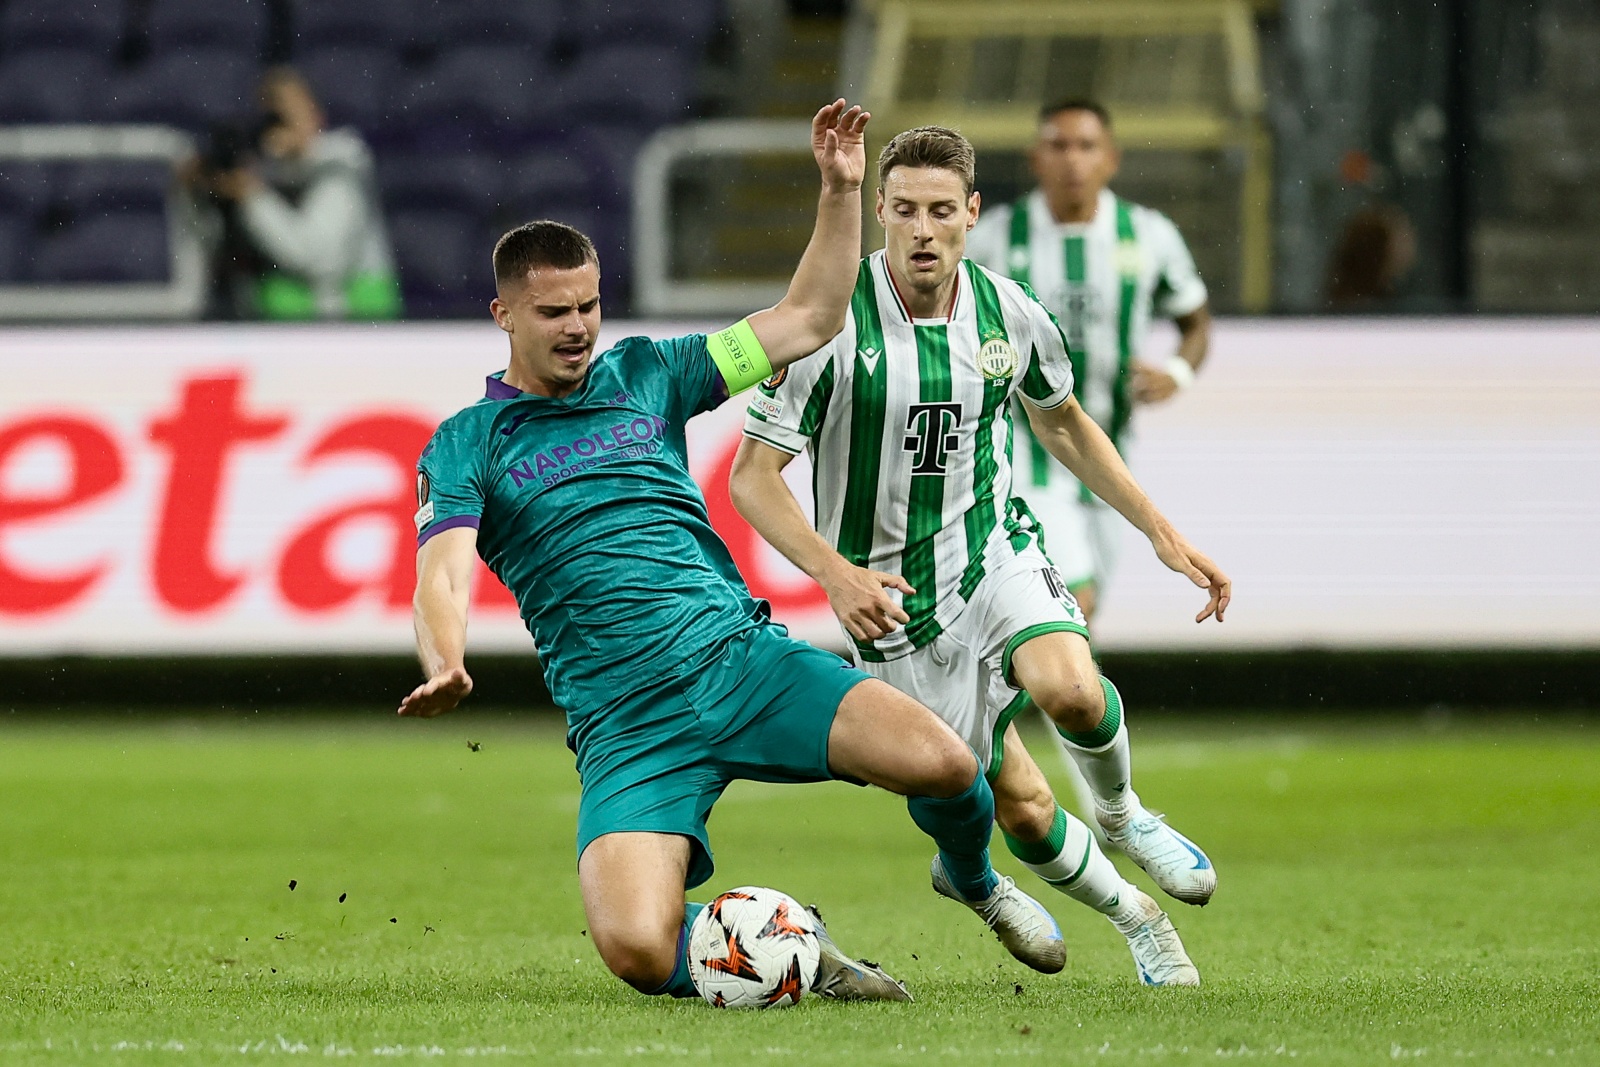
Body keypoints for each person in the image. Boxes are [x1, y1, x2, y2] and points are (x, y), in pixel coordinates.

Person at [400, 102, 1066, 1006]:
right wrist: (445, 660)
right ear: (503, 315)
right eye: (553, 311)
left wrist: (838, 191)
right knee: (638, 948)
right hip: (627, 723)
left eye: (590, 305)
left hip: (740, 662)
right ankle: (798, 954)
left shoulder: (649, 373)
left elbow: (810, 316)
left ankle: (976, 880)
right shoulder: (468, 441)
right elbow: (441, 567)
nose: (577, 328)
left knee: (949, 763)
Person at [730, 126, 1231, 987]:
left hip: (992, 549)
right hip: (889, 604)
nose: (922, 230)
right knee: (1016, 805)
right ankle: (1108, 909)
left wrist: (1158, 528)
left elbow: (1063, 421)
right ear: (879, 213)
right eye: (904, 211)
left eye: (940, 212)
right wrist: (836, 575)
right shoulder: (825, 327)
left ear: (971, 214)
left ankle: (1123, 813)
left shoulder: (1008, 310)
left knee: (1071, 686)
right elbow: (753, 478)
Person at [966, 100, 1211, 626]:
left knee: (1079, 614)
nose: (1072, 160)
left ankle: (1033, 703)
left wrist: (1177, 373)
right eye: (1058, 146)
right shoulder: (995, 238)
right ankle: (1074, 707)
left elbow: (1196, 322)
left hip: (1110, 453)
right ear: (1036, 158)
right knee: (1073, 597)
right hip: (1027, 449)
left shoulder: (1148, 235)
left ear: (1111, 159)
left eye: (1086, 146)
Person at [205, 67, 402, 321]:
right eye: (270, 112)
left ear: (315, 115)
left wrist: (252, 197)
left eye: (286, 110)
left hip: (356, 326)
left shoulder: (339, 172)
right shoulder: (266, 172)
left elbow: (317, 258)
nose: (278, 121)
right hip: (292, 328)